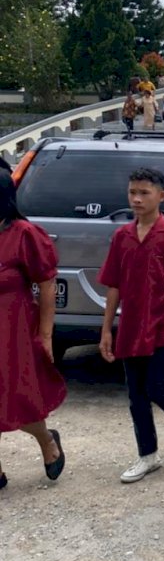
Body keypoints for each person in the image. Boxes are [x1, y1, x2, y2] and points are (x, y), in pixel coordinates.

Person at [98, 168, 164, 483]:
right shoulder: (122, 237)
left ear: (162, 196)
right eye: (133, 193)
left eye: (145, 193)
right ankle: (148, 456)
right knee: (135, 396)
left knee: (158, 387)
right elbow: (113, 284)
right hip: (130, 326)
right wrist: (106, 330)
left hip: (163, 325)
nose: (137, 199)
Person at [0, 171, 66, 491]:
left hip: (12, 328)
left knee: (18, 398)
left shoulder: (23, 233)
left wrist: (46, 334)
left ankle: (46, 440)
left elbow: (47, 282)